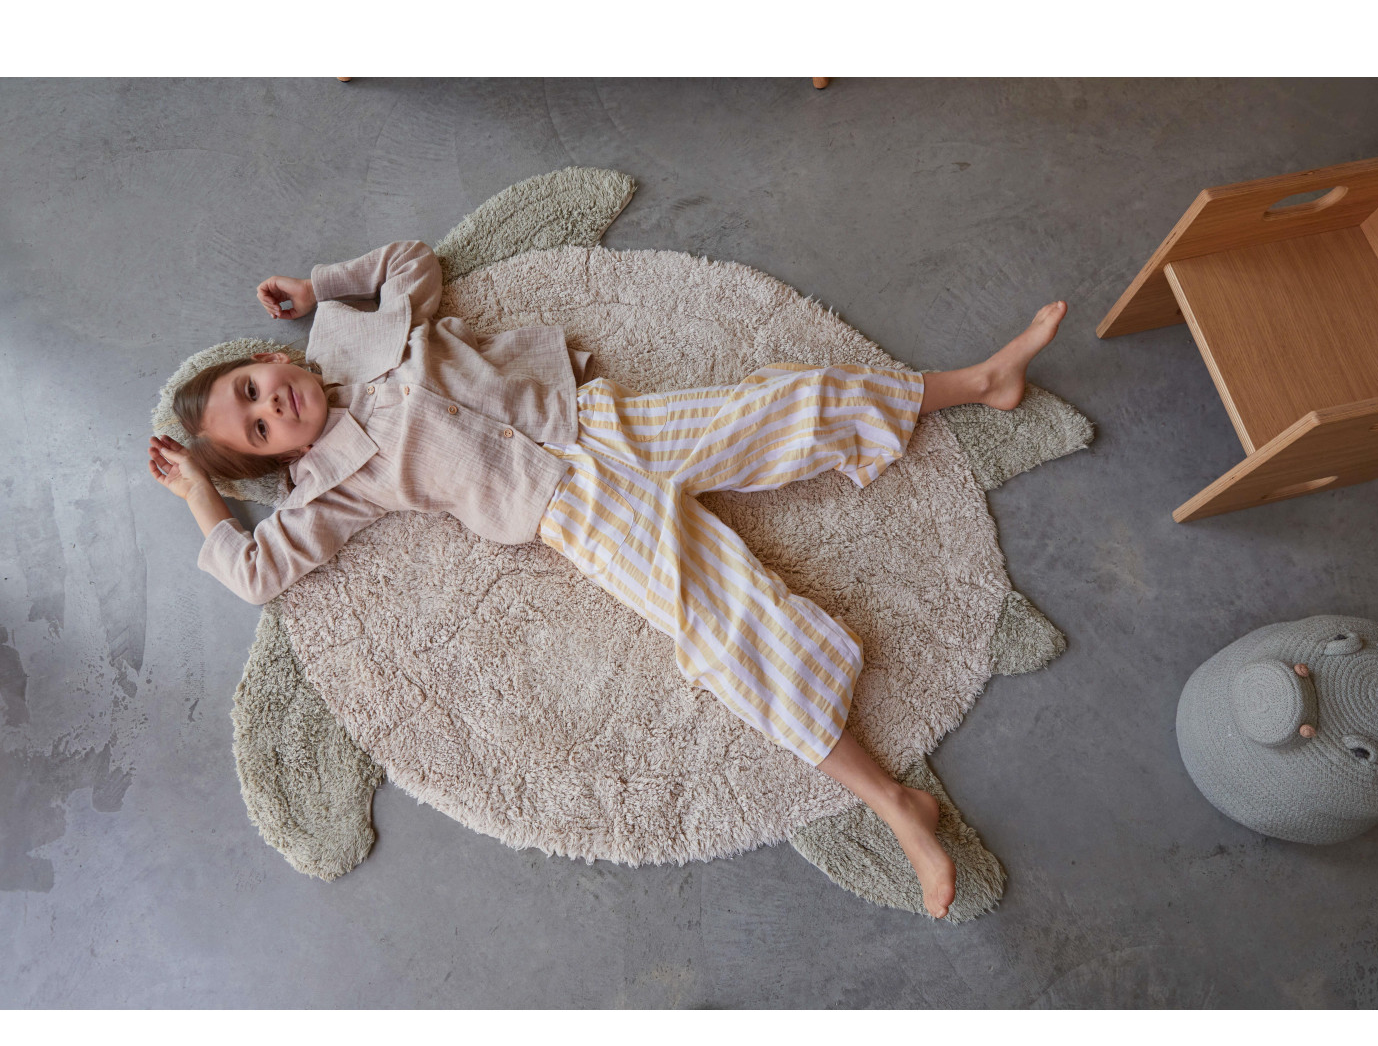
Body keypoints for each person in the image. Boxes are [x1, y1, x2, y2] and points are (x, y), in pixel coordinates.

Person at [147, 240, 1067, 918]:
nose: (272, 408)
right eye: (259, 430)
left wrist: (320, 287)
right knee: (719, 619)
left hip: (595, 421)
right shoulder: (329, 487)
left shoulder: (358, 337)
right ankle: (890, 800)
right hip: (566, 506)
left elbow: (411, 260)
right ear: (279, 460)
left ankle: (977, 382)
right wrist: (199, 495)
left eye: (255, 389)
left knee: (775, 407)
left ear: (273, 358)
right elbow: (257, 572)